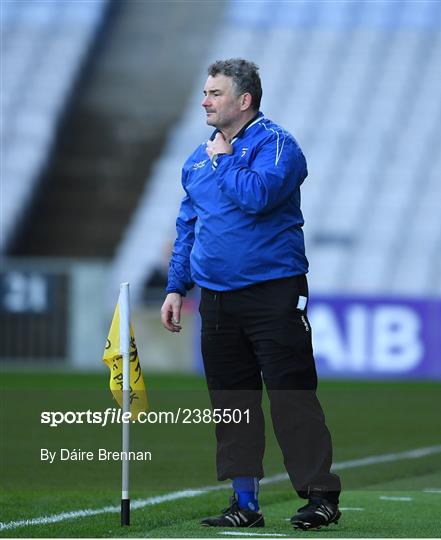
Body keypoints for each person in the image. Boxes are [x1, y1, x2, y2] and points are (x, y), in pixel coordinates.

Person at [160, 58, 341, 531]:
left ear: (244, 100)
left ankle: (320, 496)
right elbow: (188, 227)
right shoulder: (196, 159)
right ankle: (244, 503)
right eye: (204, 93)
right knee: (232, 403)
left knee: (291, 396)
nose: (204, 101)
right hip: (217, 301)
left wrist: (224, 159)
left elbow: (258, 196)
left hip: (273, 294)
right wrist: (177, 286)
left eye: (214, 93)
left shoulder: (279, 146)